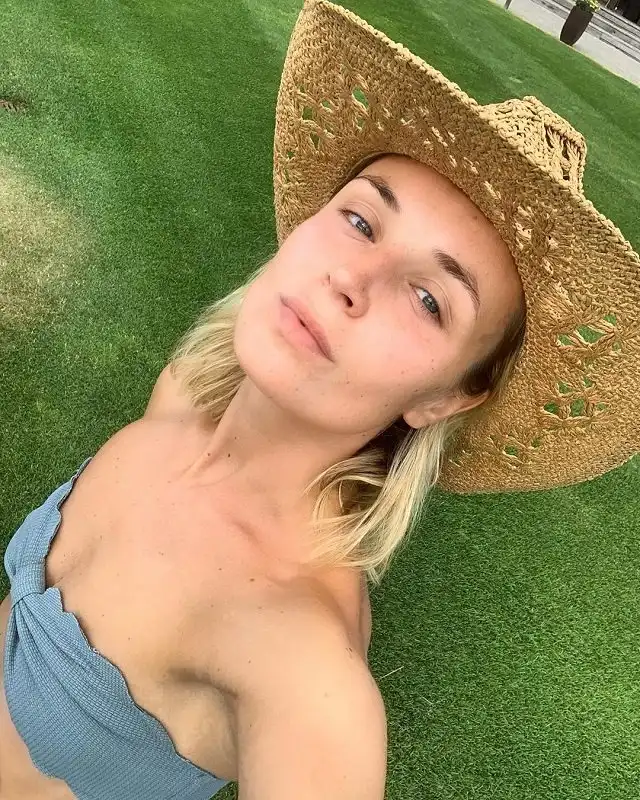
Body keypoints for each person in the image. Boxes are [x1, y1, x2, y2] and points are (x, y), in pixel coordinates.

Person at [1, 1, 639, 798]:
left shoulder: (302, 665)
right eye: (362, 221)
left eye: (430, 300)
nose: (351, 279)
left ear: (448, 397)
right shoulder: (183, 396)